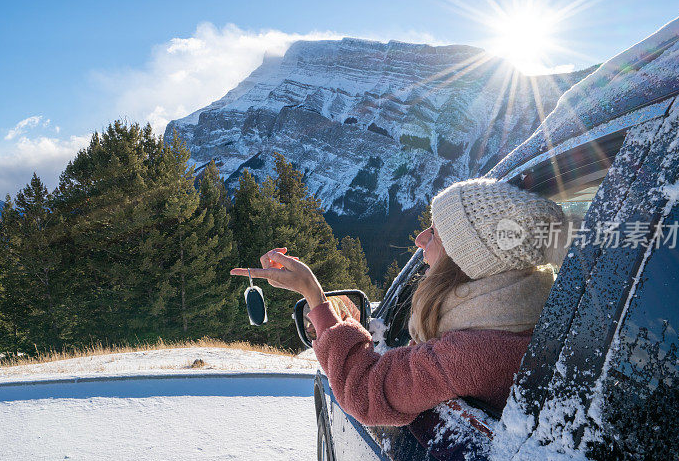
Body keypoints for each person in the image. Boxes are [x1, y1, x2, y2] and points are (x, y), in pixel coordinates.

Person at [231, 178, 573, 426]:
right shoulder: (537, 318)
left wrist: (313, 294)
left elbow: (363, 390)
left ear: (468, 260)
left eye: (436, 232)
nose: (420, 238)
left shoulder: (469, 353)